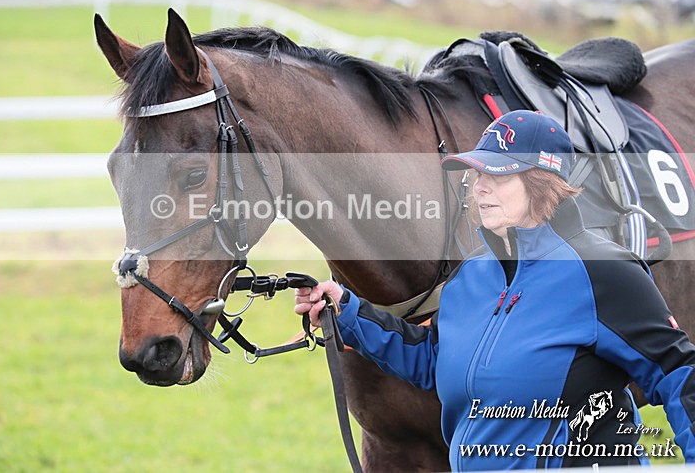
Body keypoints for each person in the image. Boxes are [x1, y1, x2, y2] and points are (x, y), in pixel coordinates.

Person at [294, 110, 695, 470]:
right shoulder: (471, 274)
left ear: (543, 182)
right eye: (477, 175)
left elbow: (679, 373)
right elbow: (436, 360)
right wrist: (347, 312)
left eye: (498, 174)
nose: (480, 187)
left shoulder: (602, 270)